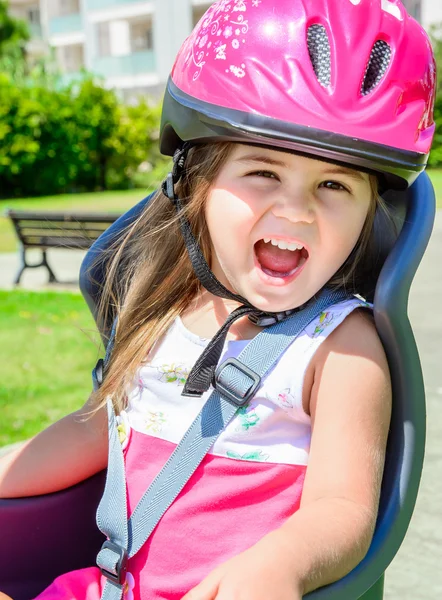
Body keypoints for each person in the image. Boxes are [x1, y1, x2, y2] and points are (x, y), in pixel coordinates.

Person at [0, 1, 436, 599]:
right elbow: (97, 431)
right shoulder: (166, 314)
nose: (296, 209)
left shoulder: (341, 346)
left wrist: (281, 564)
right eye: (262, 172)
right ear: (194, 183)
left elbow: (345, 509)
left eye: (334, 185)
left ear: (372, 213)